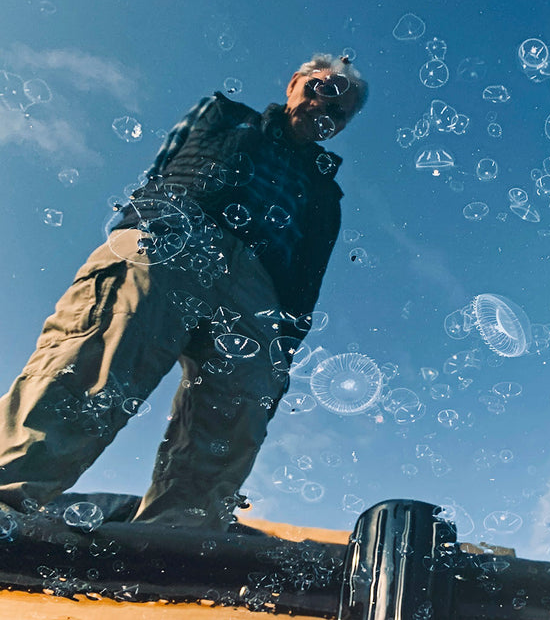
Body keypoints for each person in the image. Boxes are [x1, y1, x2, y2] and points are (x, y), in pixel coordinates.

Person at [0, 54, 367, 530]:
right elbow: (162, 170)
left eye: (341, 112)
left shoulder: (326, 196)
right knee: (100, 354)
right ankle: (9, 492)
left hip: (260, 286)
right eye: (324, 90)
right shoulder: (222, 114)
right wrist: (137, 232)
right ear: (297, 81)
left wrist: (283, 347)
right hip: (177, 233)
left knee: (237, 407)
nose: (327, 109)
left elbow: (308, 278)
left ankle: (180, 536)